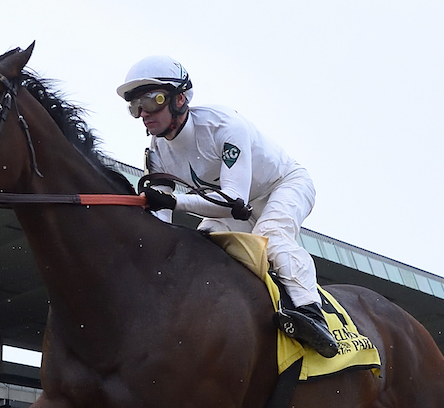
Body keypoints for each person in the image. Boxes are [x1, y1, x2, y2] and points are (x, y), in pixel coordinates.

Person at [117, 55, 338, 357]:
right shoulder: (157, 151)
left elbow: (233, 200)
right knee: (202, 241)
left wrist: (174, 200)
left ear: (180, 99)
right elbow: (161, 219)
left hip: (284, 185)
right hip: (239, 207)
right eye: (135, 106)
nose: (144, 113)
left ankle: (312, 315)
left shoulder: (224, 126)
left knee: (271, 236)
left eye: (152, 101)